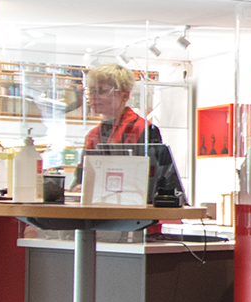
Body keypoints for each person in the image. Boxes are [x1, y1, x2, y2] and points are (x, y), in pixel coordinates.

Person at [78, 63, 184, 205]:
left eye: (102, 91)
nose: (94, 97)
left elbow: (157, 183)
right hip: (98, 209)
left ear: (125, 95)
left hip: (135, 210)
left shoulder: (144, 130)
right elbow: (80, 179)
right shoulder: (92, 136)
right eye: (91, 91)